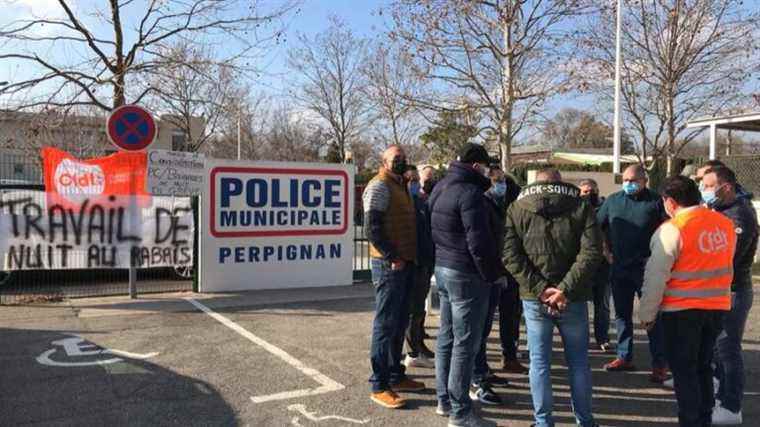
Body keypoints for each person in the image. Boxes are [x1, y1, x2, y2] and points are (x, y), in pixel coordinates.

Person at [504, 168, 602, 427]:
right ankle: (585, 421)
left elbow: (510, 255)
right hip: (573, 297)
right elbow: (591, 252)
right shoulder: (582, 207)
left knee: (539, 364)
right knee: (579, 363)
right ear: (559, 183)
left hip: (535, 298)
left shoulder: (517, 208)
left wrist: (540, 288)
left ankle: (543, 422)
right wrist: (565, 289)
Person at [639, 175, 736, 427]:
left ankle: (690, 421)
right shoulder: (723, 224)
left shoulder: (672, 229)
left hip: (681, 311)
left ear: (670, 202)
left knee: (684, 373)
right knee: (703, 367)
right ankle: (704, 419)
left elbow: (655, 277)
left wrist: (647, 315)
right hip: (716, 308)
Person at [429, 143, 500, 427]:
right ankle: (460, 413)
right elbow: (478, 242)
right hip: (467, 274)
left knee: (447, 338)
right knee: (465, 344)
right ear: (475, 166)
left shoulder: (440, 187)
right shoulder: (471, 193)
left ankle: (444, 401)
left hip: (444, 267)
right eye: (485, 166)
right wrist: (491, 273)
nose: (488, 171)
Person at [363, 145, 424, 409]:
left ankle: (396, 374)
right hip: (390, 266)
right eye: (396, 158)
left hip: (406, 263)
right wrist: (393, 256)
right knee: (386, 325)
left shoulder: (401, 185)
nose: (401, 161)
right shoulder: (379, 186)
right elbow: (372, 229)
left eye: (403, 158)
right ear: (384, 161)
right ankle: (379, 385)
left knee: (400, 322)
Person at [597, 164, 668, 383]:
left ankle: (659, 364)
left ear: (644, 181)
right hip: (619, 267)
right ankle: (624, 356)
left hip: (647, 269)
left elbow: (669, 227)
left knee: (652, 317)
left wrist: (656, 255)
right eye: (625, 180)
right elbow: (597, 226)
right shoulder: (613, 201)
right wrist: (605, 251)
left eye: (633, 180)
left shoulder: (656, 202)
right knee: (622, 315)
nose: (628, 184)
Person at [701, 166, 758, 425]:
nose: (705, 190)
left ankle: (731, 406)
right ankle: (719, 391)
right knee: (716, 347)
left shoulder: (739, 215)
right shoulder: (719, 210)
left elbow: (726, 257)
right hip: (718, 290)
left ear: (726, 186)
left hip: (733, 292)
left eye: (709, 185)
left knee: (728, 349)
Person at [469, 166, 512, 406]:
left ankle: (482, 370)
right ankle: (476, 378)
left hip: (495, 272)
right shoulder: (482, 204)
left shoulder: (496, 204)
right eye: (497, 181)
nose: (501, 185)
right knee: (477, 330)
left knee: (484, 329)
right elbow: (483, 242)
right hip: (485, 274)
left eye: (503, 181)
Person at [494, 169, 529, 375]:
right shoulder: (519, 204)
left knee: (505, 314)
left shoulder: (487, 200)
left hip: (500, 265)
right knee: (510, 314)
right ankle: (509, 355)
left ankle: (509, 355)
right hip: (509, 266)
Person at [403, 166, 436, 368]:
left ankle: (418, 345)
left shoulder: (422, 202)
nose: (416, 184)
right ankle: (413, 351)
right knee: (412, 311)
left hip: (425, 262)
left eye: (417, 180)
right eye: (413, 180)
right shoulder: (404, 205)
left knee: (419, 311)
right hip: (413, 263)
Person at [579, 178, 613, 353]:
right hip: (582, 265)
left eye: (592, 190)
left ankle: (603, 338)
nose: (589, 194)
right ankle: (580, 340)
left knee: (602, 305)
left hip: (603, 265)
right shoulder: (576, 210)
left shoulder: (606, 209)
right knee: (579, 306)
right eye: (585, 191)